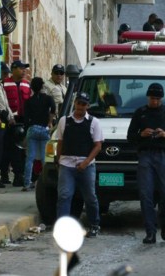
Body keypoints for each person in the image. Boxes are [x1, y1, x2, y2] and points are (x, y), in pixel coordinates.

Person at [127, 83, 165, 244]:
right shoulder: (140, 113)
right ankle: (150, 232)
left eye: (158, 99)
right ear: (148, 97)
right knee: (146, 195)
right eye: (153, 98)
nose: (155, 102)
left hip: (164, 156)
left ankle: (164, 223)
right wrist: (141, 134)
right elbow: (130, 137)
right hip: (146, 155)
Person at [55, 92, 103, 238]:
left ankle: (94, 224)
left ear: (88, 106)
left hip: (86, 165)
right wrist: (58, 159)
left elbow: (98, 146)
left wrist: (86, 162)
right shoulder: (64, 121)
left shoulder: (94, 122)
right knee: (64, 195)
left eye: (84, 104)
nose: (80, 106)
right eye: (79, 103)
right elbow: (60, 142)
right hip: (67, 164)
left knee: (90, 197)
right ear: (75, 103)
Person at [1, 60, 32, 186]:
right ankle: (4, 174)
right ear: (13, 69)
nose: (24, 70)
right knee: (7, 148)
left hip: (22, 121)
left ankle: (19, 175)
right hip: (9, 121)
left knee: (21, 150)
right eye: (21, 68)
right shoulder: (5, 83)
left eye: (25, 68)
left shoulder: (27, 84)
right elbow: (3, 102)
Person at [23, 77, 55, 191]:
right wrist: (50, 122)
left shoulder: (28, 101)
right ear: (42, 86)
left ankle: (26, 183)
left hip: (33, 129)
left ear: (31, 87)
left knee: (30, 158)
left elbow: (26, 119)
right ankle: (45, 182)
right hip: (44, 129)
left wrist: (26, 134)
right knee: (44, 158)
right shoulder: (48, 98)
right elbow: (54, 108)